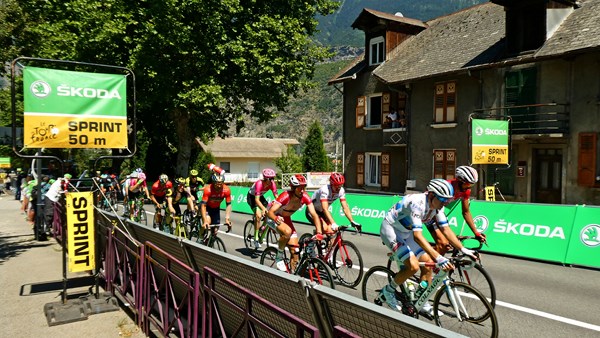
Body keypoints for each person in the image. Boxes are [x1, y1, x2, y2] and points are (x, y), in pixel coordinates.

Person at [378, 179, 476, 315]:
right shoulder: (417, 203)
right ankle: (388, 291)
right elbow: (418, 236)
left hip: (407, 232)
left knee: (428, 265)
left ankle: (421, 301)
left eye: (447, 201)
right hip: (391, 230)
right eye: (442, 200)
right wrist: (439, 258)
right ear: (431, 195)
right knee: (413, 266)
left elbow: (446, 230)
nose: (444, 204)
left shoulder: (437, 207)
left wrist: (463, 249)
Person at [267, 174, 322, 272]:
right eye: (300, 188)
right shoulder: (285, 196)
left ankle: (291, 275)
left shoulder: (305, 196)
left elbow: (314, 214)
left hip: (286, 218)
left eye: (304, 187)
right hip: (273, 217)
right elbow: (270, 212)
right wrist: (275, 218)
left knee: (295, 251)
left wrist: (319, 232)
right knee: (287, 231)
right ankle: (279, 257)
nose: (302, 190)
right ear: (293, 188)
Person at [428, 165, 485, 255]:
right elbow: (434, 209)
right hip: (429, 211)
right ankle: (423, 257)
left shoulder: (466, 191)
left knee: (446, 245)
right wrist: (452, 236)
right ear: (459, 180)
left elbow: (466, 212)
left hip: (439, 211)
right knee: (444, 243)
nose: (469, 187)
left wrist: (476, 233)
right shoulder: (447, 187)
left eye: (471, 184)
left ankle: (434, 263)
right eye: (467, 183)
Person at [246, 168, 279, 249]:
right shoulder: (259, 183)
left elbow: (277, 197)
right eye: (270, 178)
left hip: (260, 197)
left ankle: (263, 227)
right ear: (265, 178)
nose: (272, 180)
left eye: (273, 178)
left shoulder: (272, 184)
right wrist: (263, 208)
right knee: (258, 215)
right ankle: (256, 238)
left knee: (269, 212)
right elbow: (256, 200)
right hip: (252, 197)